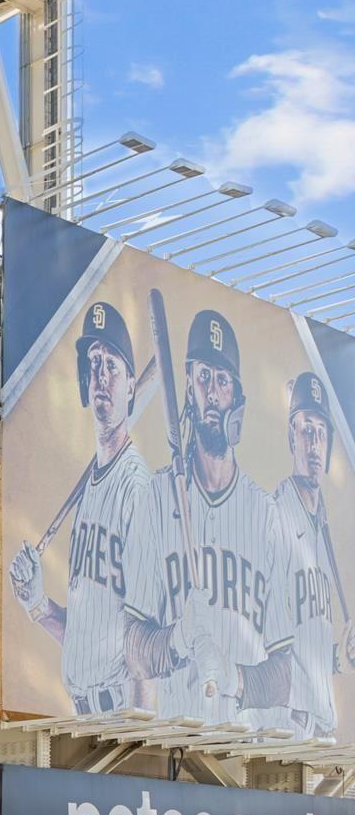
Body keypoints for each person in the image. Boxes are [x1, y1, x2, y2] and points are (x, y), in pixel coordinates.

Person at [11, 300, 170, 716]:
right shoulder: (91, 489)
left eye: (112, 365)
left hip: (122, 712)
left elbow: (145, 634)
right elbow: (88, 636)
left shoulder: (136, 487)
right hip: (83, 712)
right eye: (94, 363)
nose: (101, 376)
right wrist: (37, 604)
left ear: (132, 386)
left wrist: (141, 731)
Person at [149, 308, 283, 727]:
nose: (211, 391)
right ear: (187, 385)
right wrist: (177, 638)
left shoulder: (264, 514)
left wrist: (235, 679)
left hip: (249, 748)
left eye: (222, 380)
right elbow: (130, 641)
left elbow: (286, 672)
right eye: (203, 376)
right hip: (168, 744)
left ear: (236, 398)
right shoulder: (156, 495)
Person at [269, 369, 349, 740]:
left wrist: (341, 657)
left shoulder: (324, 528)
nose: (314, 443)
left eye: (321, 432)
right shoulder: (275, 514)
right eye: (306, 431)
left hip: (323, 726)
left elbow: (310, 642)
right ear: (291, 438)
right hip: (290, 724)